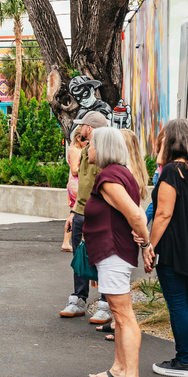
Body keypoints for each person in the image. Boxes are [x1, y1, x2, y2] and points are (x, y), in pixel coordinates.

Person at [141, 119, 188, 377]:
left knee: (178, 304)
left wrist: (150, 245)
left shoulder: (172, 171)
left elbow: (163, 214)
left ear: (171, 141)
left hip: (173, 248)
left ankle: (183, 361)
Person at [84, 127, 152, 377]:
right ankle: (119, 369)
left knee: (123, 316)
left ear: (102, 148)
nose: (87, 148)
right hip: (112, 253)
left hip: (114, 253)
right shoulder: (119, 173)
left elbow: (137, 216)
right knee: (118, 314)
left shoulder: (110, 176)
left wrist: (146, 244)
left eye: (90, 144)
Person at [61, 111, 112, 324]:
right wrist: (73, 212)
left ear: (89, 128)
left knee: (101, 258)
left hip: (97, 214)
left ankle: (106, 302)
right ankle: (79, 299)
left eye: (82, 125)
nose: (80, 128)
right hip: (80, 213)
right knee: (79, 257)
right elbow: (82, 187)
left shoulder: (104, 153)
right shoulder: (84, 152)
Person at [62, 130, 87, 252]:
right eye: (85, 139)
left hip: (76, 182)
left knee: (73, 212)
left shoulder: (79, 150)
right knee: (79, 210)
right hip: (76, 183)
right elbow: (75, 170)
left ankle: (66, 242)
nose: (87, 142)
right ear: (78, 138)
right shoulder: (75, 150)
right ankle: (75, 240)